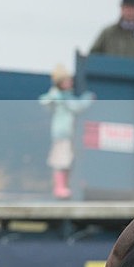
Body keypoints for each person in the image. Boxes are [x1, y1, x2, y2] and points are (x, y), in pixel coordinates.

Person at [38, 64, 95, 199]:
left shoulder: (65, 96)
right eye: (67, 80)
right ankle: (59, 187)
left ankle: (66, 185)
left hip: (68, 134)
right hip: (62, 134)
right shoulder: (61, 97)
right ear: (60, 83)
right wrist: (87, 98)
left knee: (68, 160)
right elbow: (77, 107)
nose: (70, 83)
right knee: (61, 160)